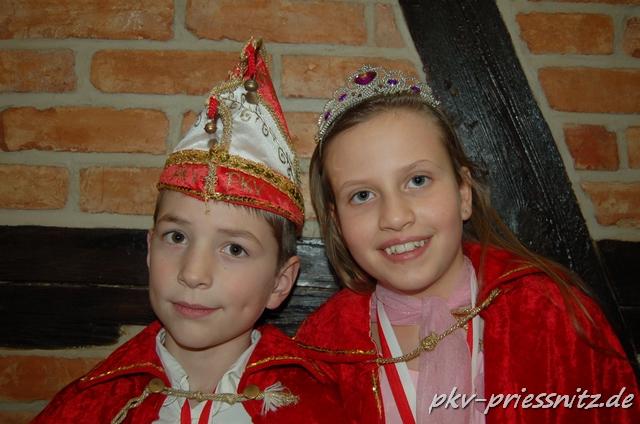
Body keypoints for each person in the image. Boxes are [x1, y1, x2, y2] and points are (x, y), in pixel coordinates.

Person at [294, 64, 640, 423]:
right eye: (362, 195)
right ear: (337, 222)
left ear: (463, 193)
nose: (394, 217)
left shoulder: (551, 314)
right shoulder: (318, 355)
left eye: (418, 180)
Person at [31, 37, 349, 424]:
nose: (193, 274)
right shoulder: (86, 407)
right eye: (177, 237)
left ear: (280, 283)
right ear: (150, 251)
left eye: (234, 249)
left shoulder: (321, 409)